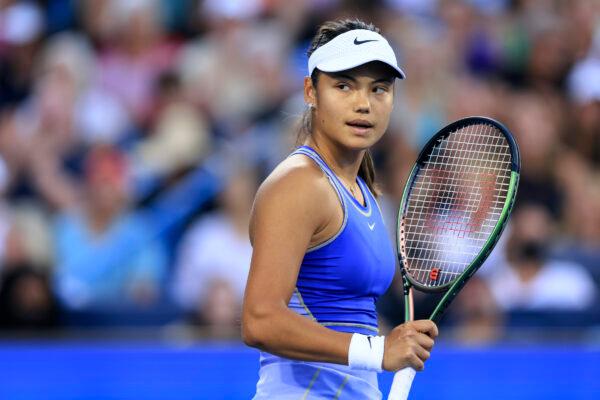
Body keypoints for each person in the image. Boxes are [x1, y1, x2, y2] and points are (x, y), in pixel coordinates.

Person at [242, 19, 438, 399]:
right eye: (344, 85)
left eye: (379, 89)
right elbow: (259, 321)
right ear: (310, 91)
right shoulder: (299, 184)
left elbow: (344, 315)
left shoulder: (363, 190)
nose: (363, 103)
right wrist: (379, 350)